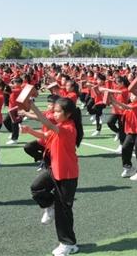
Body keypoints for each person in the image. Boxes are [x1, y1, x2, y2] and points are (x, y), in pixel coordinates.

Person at [22, 97, 82, 256]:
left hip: (67, 174)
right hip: (54, 170)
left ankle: (69, 244)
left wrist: (32, 105)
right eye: (53, 111)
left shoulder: (69, 128)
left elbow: (48, 124)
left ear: (68, 114)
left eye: (57, 111)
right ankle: (50, 205)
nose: (54, 114)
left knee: (64, 212)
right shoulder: (60, 126)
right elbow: (45, 134)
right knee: (36, 188)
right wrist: (30, 131)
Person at [108, 91, 137, 179]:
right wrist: (112, 101)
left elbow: (125, 106)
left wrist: (114, 100)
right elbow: (121, 108)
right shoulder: (131, 105)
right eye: (131, 95)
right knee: (125, 148)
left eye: (134, 95)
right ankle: (128, 167)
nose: (132, 97)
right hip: (131, 132)